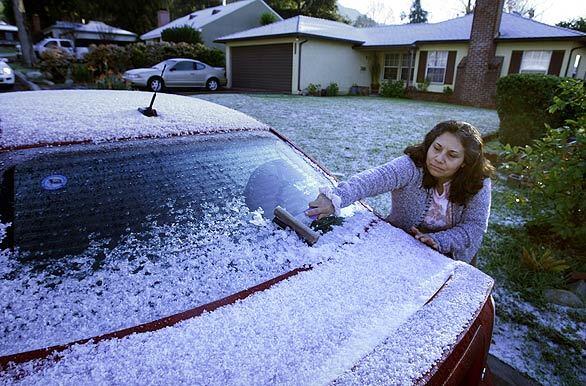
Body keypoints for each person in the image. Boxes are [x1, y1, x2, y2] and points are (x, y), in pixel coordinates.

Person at [306, 120, 494, 264]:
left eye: (452, 155)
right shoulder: (411, 166)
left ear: (465, 162)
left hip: (451, 258)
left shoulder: (478, 183)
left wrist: (438, 240)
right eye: (436, 148)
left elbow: (474, 228)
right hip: (399, 249)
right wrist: (335, 198)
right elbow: (373, 179)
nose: (439, 158)